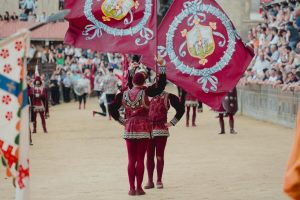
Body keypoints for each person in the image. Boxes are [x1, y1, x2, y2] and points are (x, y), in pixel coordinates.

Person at [109, 57, 166, 196]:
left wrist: (122, 121)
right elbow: (161, 86)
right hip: (144, 129)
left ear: (133, 81)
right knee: (140, 159)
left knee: (131, 160)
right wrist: (162, 67)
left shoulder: (124, 94)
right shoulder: (146, 92)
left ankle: (131, 188)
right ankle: (139, 188)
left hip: (129, 128)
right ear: (144, 82)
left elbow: (112, 108)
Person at [144, 91, 184, 190]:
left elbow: (181, 109)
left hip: (161, 128)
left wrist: (172, 122)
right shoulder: (147, 95)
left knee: (159, 155)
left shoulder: (168, 96)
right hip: (148, 128)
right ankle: (150, 180)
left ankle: (159, 179)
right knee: (149, 155)